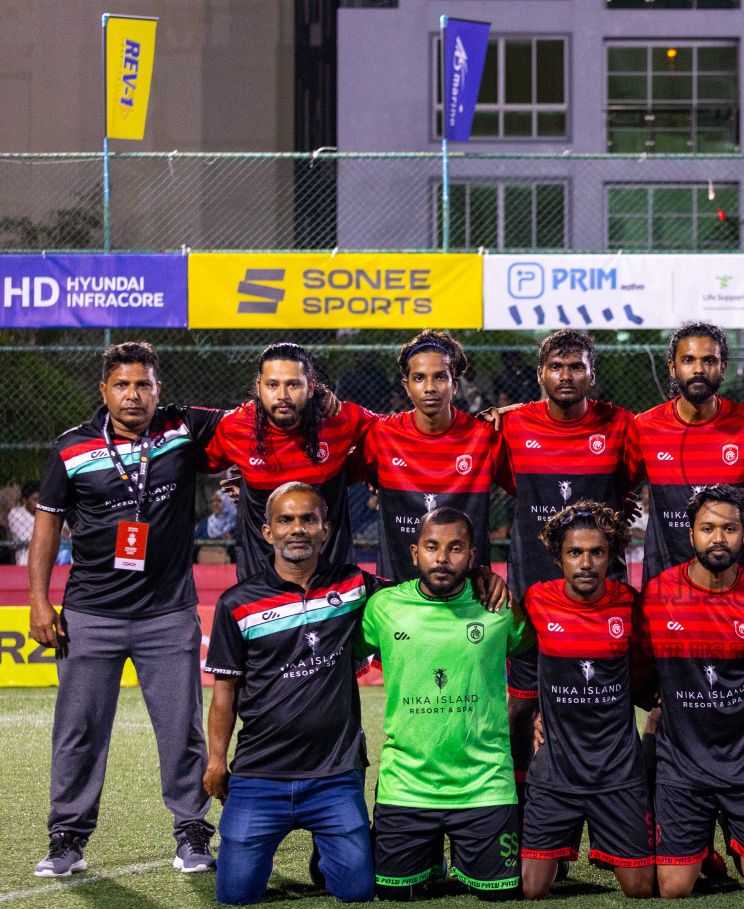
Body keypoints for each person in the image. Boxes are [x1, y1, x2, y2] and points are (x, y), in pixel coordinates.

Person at [30, 342, 223, 878]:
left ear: (158, 389)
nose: (133, 395)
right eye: (122, 385)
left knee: (181, 728)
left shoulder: (183, 428)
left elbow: (250, 426)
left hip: (167, 612)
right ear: (104, 391)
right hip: (90, 613)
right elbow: (47, 521)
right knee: (79, 729)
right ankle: (66, 837)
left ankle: (191, 833)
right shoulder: (73, 447)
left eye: (143, 385)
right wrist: (39, 598)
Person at [202, 483, 382, 905]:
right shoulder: (237, 603)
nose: (296, 528)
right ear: (268, 532)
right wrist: (215, 761)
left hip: (334, 775)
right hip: (259, 776)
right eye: (285, 520)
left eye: (308, 519)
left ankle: (328, 857)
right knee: (236, 895)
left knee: (356, 892)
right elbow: (224, 693)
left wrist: (481, 575)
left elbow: (421, 594)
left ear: (326, 530)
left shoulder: (356, 586)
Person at [497, 329, 641, 804]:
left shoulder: (620, 425)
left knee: (605, 702)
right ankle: (519, 811)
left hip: (600, 599)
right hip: (531, 592)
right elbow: (498, 480)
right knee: (521, 706)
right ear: (540, 374)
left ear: (591, 375)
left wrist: (626, 504)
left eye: (576, 366)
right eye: (556, 367)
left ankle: (613, 806)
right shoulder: (513, 427)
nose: (566, 376)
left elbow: (635, 483)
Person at [636, 485, 744, 899]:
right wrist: (654, 707)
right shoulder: (658, 595)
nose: (718, 538)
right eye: (707, 528)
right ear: (690, 534)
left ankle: (733, 834)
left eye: (729, 528)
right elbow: (636, 667)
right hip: (683, 766)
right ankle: (702, 850)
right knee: (673, 890)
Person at [362, 507, 532, 900]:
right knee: (391, 896)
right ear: (414, 553)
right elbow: (345, 658)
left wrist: (538, 713)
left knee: (500, 896)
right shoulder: (384, 608)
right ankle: (430, 856)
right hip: (405, 785)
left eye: (456, 548)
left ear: (473, 557)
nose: (442, 558)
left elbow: (538, 654)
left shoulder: (498, 607)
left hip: (484, 785)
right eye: (432, 547)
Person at [519, 501, 654, 899]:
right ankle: (558, 848)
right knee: (531, 890)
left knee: (641, 889)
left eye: (597, 552)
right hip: (557, 767)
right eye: (574, 552)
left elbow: (646, 674)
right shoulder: (537, 601)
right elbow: (520, 658)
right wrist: (536, 713)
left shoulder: (630, 604)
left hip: (617, 768)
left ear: (610, 555)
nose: (586, 563)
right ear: (559, 557)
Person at [203, 343, 378, 580]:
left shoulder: (339, 419)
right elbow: (199, 462)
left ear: (311, 387)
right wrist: (248, 483)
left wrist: (365, 470)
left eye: (293, 384)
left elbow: (389, 433)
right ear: (258, 387)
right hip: (261, 582)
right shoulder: (235, 427)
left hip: (332, 581)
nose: (282, 396)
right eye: (272, 385)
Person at [356, 332, 512, 582]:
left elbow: (525, 492)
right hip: (397, 589)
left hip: (467, 592)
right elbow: (345, 476)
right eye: (419, 378)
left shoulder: (484, 436)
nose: (430, 387)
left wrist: (520, 413)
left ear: (455, 384)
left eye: (440, 377)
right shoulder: (382, 435)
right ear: (406, 386)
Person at [630, 321, 744, 579]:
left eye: (708, 360)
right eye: (688, 360)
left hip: (733, 578)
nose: (698, 369)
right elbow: (618, 486)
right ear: (673, 368)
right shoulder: (645, 426)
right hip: (665, 580)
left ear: (723, 368)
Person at [9, 480, 39, 565]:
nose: (39, 503)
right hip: (26, 563)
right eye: (35, 499)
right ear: (25, 500)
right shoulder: (16, 514)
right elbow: (26, 538)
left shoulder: (50, 513)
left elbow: (67, 534)